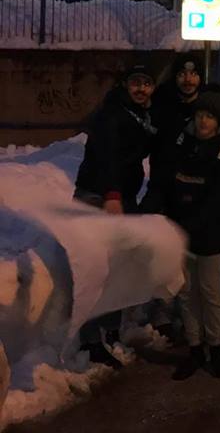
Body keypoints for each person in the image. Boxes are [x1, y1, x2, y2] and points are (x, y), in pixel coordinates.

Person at [73, 59, 158, 366]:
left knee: (118, 268)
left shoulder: (141, 114)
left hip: (121, 197)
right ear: (125, 85)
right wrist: (112, 195)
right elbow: (108, 156)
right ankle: (91, 340)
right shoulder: (111, 114)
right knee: (97, 268)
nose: (141, 88)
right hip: (100, 197)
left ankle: (109, 331)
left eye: (146, 83)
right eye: (135, 82)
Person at [160, 91, 220, 379]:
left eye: (209, 116)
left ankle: (215, 348)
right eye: (199, 115)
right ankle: (194, 349)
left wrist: (194, 223)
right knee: (186, 293)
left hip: (209, 235)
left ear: (218, 121)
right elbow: (167, 182)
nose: (203, 121)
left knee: (210, 293)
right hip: (179, 234)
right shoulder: (181, 144)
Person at [147, 53, 204, 215]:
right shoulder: (161, 103)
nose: (188, 80)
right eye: (182, 74)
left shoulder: (208, 107)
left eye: (193, 74)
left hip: (196, 189)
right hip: (162, 185)